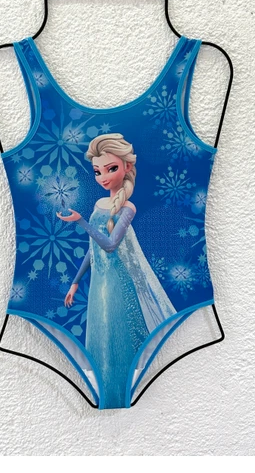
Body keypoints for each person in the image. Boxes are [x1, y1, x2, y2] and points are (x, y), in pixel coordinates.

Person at [56, 133, 176, 408]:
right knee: (101, 333)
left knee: (118, 334)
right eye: (97, 171)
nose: (103, 177)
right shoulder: (100, 204)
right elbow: (93, 249)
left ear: (127, 167)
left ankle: (120, 388)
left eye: (110, 169)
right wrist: (75, 282)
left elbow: (110, 245)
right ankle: (103, 388)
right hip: (99, 283)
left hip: (117, 283)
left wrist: (81, 222)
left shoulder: (127, 208)